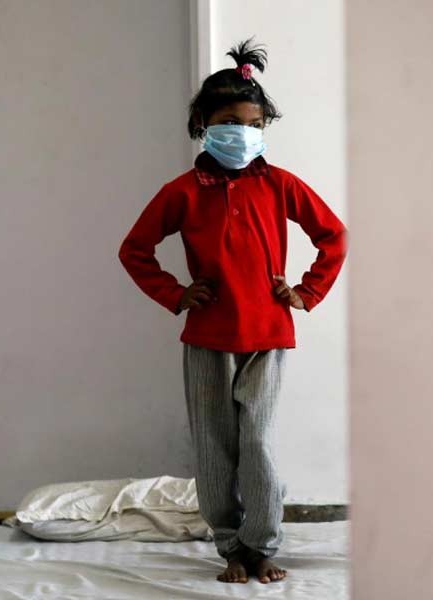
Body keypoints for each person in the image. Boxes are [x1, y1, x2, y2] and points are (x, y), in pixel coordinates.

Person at [118, 38, 347, 583]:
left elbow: (332, 236)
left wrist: (307, 292)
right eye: (229, 120)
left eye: (252, 122)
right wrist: (176, 293)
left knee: (258, 443)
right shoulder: (183, 191)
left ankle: (262, 544)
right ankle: (230, 547)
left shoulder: (280, 185)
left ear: (264, 125)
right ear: (203, 122)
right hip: (206, 339)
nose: (241, 132)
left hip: (268, 334)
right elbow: (135, 250)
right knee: (215, 448)